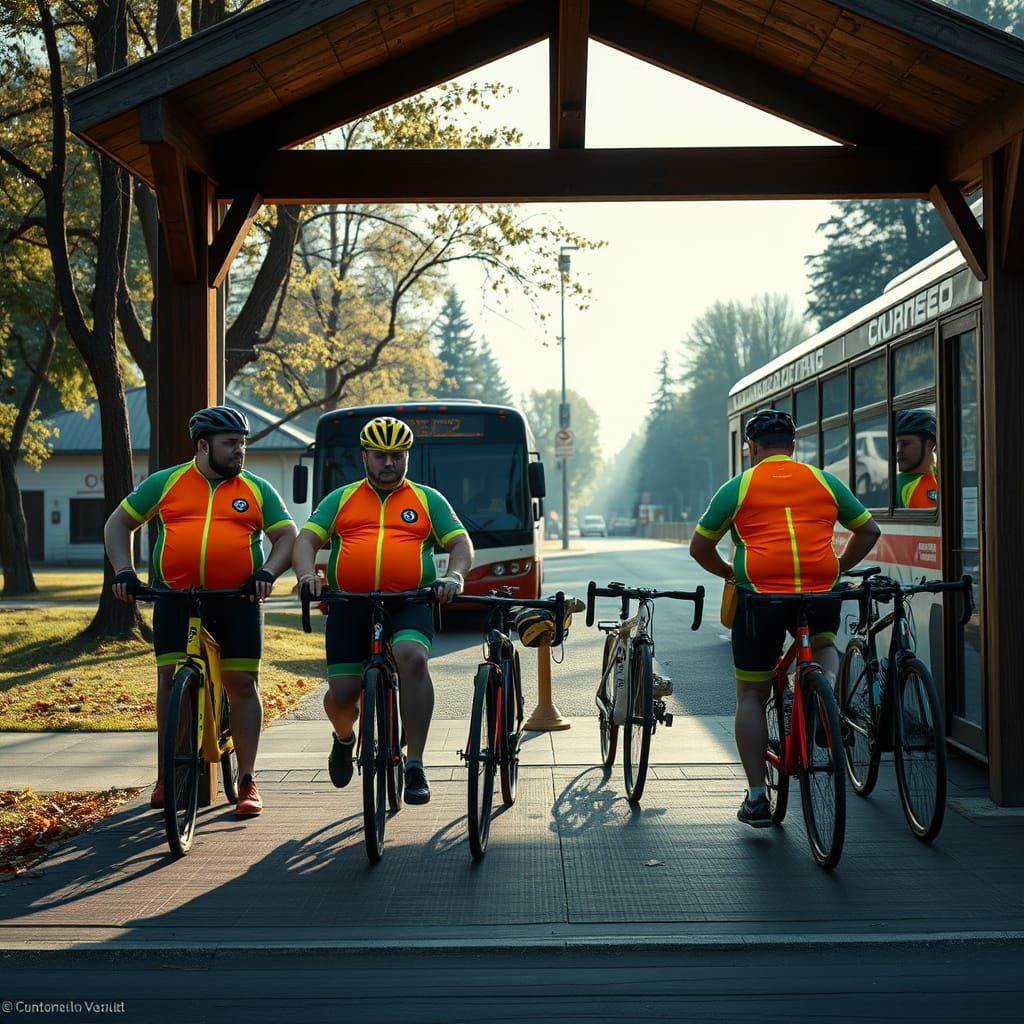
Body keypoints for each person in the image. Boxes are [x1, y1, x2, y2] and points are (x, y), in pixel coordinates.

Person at [688, 409, 880, 829]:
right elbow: (869, 531)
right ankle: (825, 697)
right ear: (793, 447)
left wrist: (730, 573)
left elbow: (699, 548)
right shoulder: (825, 480)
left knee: (751, 696)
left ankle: (758, 796)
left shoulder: (737, 487)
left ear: (752, 448)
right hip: (821, 592)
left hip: (761, 598)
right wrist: (840, 568)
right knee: (825, 647)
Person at [104, 405, 296, 817]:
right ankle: (167, 775)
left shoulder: (257, 489)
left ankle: (246, 779)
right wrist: (124, 570)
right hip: (176, 599)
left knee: (241, 683)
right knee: (171, 682)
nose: (239, 452)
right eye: (231, 445)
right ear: (203, 445)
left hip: (237, 602)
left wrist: (267, 571)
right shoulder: (167, 483)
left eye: (242, 444)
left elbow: (286, 536)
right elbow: (118, 524)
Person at [291, 415, 473, 805]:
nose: (389, 463)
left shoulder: (427, 499)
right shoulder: (340, 499)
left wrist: (454, 577)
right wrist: (308, 575)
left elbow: (460, 544)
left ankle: (416, 763)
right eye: (380, 455)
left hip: (409, 601)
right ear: (365, 457)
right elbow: (305, 540)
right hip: (350, 604)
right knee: (342, 694)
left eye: (397, 455)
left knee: (412, 658)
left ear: (407, 456)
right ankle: (344, 739)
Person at [894, 409, 938, 508]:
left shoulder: (944, 478)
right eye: (897, 444)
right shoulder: (895, 485)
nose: (898, 450)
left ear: (929, 445)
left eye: (905, 444)